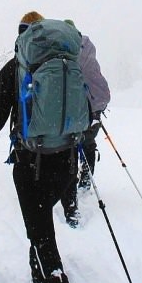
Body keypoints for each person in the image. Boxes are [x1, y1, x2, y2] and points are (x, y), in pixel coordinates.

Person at [0, 11, 75, 283]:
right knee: (40, 222)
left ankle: (54, 280)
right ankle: (39, 272)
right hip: (66, 159)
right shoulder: (68, 63)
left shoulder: (16, 68)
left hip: (31, 163)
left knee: (40, 230)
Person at [60, 19, 111, 228]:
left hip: (79, 110)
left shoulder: (69, 52)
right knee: (89, 145)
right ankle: (86, 179)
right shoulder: (88, 50)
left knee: (72, 149)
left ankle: (71, 195)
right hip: (96, 106)